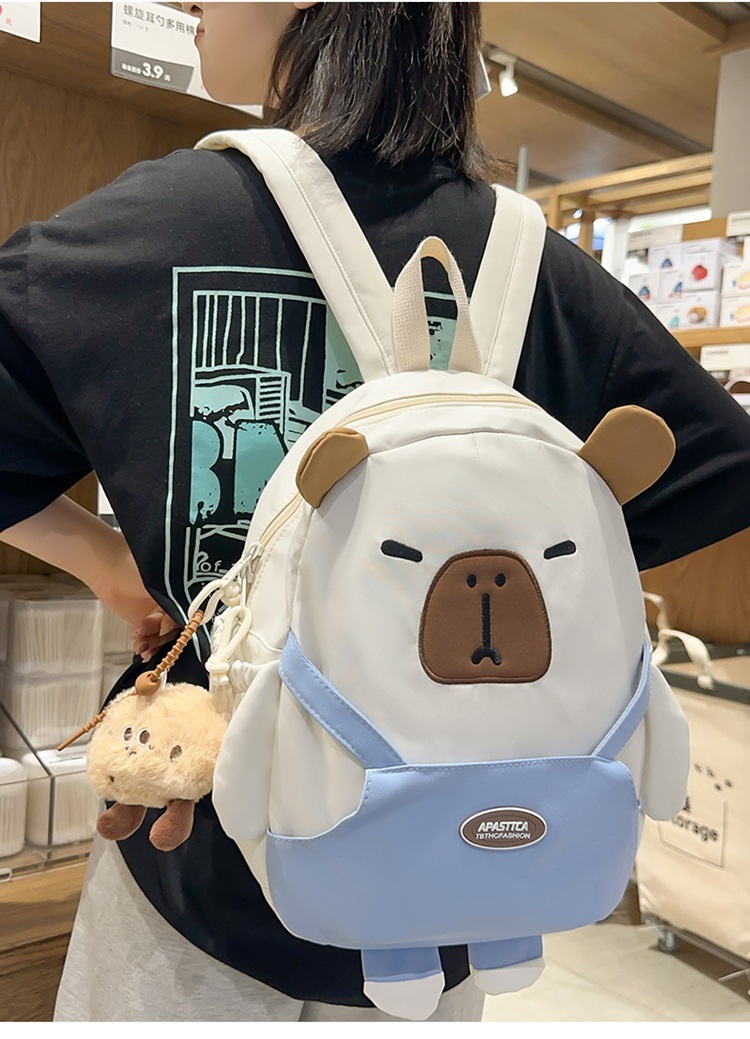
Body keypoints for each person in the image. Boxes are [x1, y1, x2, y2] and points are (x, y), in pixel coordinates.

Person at [0, 1, 748, 1023]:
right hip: (463, 870)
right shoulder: (538, 268)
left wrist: (108, 561)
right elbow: (717, 467)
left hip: (200, 863)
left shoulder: (142, 233)